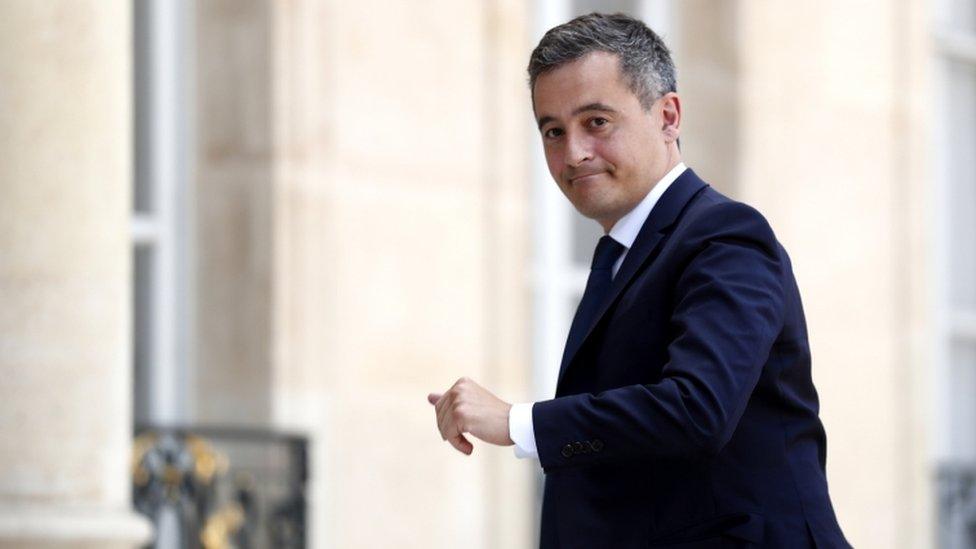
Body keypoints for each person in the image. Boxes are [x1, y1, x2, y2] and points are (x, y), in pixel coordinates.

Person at [427, 12, 850, 548]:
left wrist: (518, 423)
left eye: (596, 122)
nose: (573, 152)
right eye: (553, 131)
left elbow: (698, 409)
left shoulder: (725, 235)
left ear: (668, 115)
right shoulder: (624, 254)